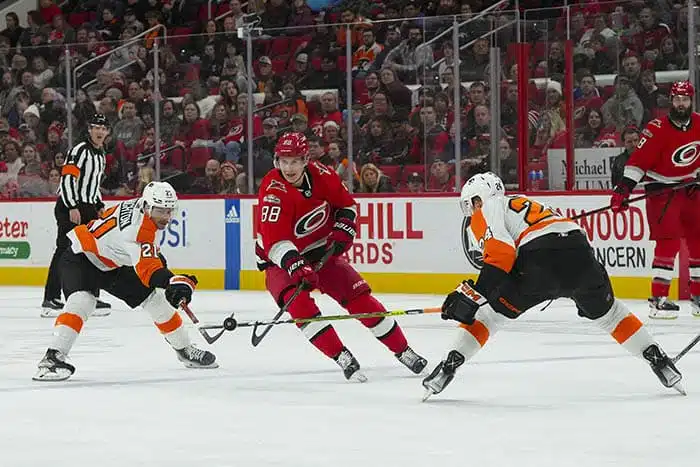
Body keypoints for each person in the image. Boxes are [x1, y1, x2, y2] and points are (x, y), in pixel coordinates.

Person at [422, 172, 683, 400]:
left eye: (472, 204)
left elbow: (501, 254)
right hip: (581, 257)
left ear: (478, 198)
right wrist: (475, 293)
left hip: (538, 264)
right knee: (611, 314)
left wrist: (474, 296)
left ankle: (450, 364)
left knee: (489, 317)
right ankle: (656, 357)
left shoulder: (489, 208)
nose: (473, 210)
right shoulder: (533, 203)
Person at [256, 132, 427, 382]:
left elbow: (346, 206)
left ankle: (404, 351)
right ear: (276, 161)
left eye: (294, 161)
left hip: (320, 252)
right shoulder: (273, 191)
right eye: (284, 161)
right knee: (302, 308)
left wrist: (345, 227)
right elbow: (275, 242)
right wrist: (296, 266)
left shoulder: (323, 174)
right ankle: (342, 356)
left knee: (360, 299)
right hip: (280, 261)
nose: (289, 167)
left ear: (305, 160)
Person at [33, 182, 217, 381]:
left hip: (112, 262)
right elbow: (150, 272)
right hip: (81, 255)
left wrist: (168, 279)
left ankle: (184, 349)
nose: (166, 217)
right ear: (147, 207)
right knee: (83, 301)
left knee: (155, 300)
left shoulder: (141, 206)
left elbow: (149, 260)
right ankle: (52, 358)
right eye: (161, 211)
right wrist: (175, 281)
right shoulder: (138, 232)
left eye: (169, 211)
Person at [611, 80, 700, 319]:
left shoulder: (699, 124)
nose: (681, 103)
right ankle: (658, 300)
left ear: (691, 100)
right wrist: (624, 189)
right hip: (662, 191)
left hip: (691, 189)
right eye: (677, 99)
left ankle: (698, 297)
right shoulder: (657, 127)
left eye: (685, 99)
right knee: (668, 243)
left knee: (698, 240)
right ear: (671, 101)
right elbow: (639, 161)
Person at [42, 114, 113, 317]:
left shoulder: (100, 154)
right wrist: (72, 206)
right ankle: (51, 299)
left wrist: (98, 204)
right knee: (64, 251)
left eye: (103, 128)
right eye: (96, 127)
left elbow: (93, 184)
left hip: (88, 207)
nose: (100, 131)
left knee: (91, 253)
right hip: (70, 206)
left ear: (107, 132)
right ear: (89, 129)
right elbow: (68, 179)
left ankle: (90, 295)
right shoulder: (80, 150)